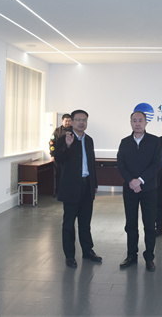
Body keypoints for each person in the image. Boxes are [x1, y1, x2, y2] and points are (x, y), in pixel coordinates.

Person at [53, 110, 102, 268]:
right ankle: (69, 256)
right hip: (71, 187)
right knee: (69, 224)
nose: (82, 122)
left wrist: (94, 183)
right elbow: (58, 159)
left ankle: (88, 251)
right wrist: (67, 145)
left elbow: (91, 163)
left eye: (84, 120)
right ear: (72, 122)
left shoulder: (89, 140)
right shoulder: (64, 138)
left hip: (87, 185)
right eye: (79, 119)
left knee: (85, 222)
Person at [117, 111, 162, 272]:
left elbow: (156, 164)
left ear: (146, 123)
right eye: (134, 120)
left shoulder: (155, 141)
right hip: (130, 189)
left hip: (148, 189)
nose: (137, 123)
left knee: (149, 225)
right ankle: (131, 255)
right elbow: (121, 164)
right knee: (130, 224)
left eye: (140, 120)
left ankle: (149, 257)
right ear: (131, 123)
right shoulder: (125, 142)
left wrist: (140, 180)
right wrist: (131, 181)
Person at [50, 113, 72, 194]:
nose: (67, 123)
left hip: (70, 157)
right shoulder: (57, 131)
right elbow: (52, 143)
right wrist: (52, 155)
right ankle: (59, 191)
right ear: (62, 121)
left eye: (69, 121)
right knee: (59, 174)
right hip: (59, 157)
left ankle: (69, 192)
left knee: (70, 175)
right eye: (66, 121)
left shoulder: (74, 131)